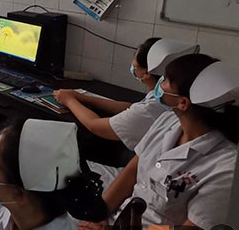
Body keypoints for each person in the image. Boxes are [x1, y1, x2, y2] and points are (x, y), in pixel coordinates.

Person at [79, 54, 239, 230]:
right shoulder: (168, 122)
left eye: (166, 80)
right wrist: (98, 213)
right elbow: (133, 170)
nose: (160, 84)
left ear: (183, 103)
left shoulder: (225, 167)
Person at [54, 39, 199, 148]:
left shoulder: (154, 108)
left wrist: (69, 100)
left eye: (135, 65)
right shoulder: (160, 99)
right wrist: (83, 98)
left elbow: (95, 125)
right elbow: (130, 108)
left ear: (147, 72)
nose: (132, 67)